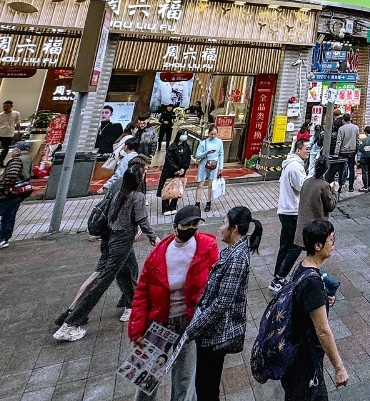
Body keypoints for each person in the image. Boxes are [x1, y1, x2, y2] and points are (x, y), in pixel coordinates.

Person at [55, 161, 156, 342]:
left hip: (112, 238)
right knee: (103, 280)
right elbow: (143, 221)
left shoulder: (119, 192)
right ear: (139, 178)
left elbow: (110, 215)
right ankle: (71, 323)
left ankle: (132, 304)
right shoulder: (137, 196)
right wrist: (153, 237)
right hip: (122, 241)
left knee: (128, 271)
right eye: (144, 172)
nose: (146, 174)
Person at [128, 205, 219, 401]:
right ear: (175, 227)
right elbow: (142, 292)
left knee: (185, 377)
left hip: (189, 321)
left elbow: (215, 282)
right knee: (146, 374)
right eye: (187, 225)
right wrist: (136, 329)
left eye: (195, 224)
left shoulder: (207, 247)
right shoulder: (159, 254)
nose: (191, 229)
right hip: (161, 320)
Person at [183, 206, 263, 401]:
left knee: (206, 387)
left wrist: (193, 329)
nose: (220, 228)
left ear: (234, 229)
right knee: (206, 385)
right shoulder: (233, 251)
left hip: (215, 334)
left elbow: (222, 303)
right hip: (211, 329)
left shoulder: (237, 258)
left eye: (224, 223)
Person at [282, 220, 349, 399]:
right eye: (331, 240)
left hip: (294, 351)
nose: (333, 244)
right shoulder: (313, 283)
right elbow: (322, 331)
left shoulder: (303, 266)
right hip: (304, 357)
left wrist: (323, 299)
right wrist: (339, 368)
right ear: (318, 245)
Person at [0, 139, 33, 254]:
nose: (12, 151)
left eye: (14, 149)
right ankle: (4, 238)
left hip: (9, 193)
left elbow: (11, 177)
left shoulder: (16, 161)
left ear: (18, 150)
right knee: (9, 215)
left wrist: (1, 190)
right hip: (20, 192)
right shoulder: (27, 159)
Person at [270, 139, 310, 293]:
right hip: (291, 211)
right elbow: (302, 187)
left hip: (286, 210)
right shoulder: (294, 166)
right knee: (295, 246)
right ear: (298, 150)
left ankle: (277, 278)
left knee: (285, 246)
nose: (308, 151)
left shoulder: (292, 164)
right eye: (306, 148)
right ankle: (278, 278)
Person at [295, 157, 339, 245]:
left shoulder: (307, 181)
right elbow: (330, 206)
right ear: (327, 169)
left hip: (303, 226)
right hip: (316, 227)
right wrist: (335, 191)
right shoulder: (324, 185)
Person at [159, 131, 193, 215]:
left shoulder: (187, 147)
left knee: (178, 188)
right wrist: (176, 169)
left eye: (186, 135)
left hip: (181, 171)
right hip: (170, 171)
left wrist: (184, 168)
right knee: (167, 187)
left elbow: (188, 159)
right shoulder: (172, 147)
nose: (185, 136)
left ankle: (173, 206)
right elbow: (168, 160)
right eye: (183, 134)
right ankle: (165, 208)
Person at [194, 126, 224, 212]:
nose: (213, 136)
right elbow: (197, 156)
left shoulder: (219, 142)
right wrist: (206, 152)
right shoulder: (203, 143)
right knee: (200, 185)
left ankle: (208, 202)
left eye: (215, 134)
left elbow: (221, 154)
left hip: (214, 165)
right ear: (208, 133)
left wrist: (221, 167)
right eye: (211, 134)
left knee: (211, 185)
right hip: (203, 165)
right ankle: (197, 203)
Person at [358, 126, 370, 192]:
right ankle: (369, 186)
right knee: (369, 171)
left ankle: (365, 187)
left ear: (365, 132)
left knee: (364, 172)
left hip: (365, 157)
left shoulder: (365, 140)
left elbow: (360, 149)